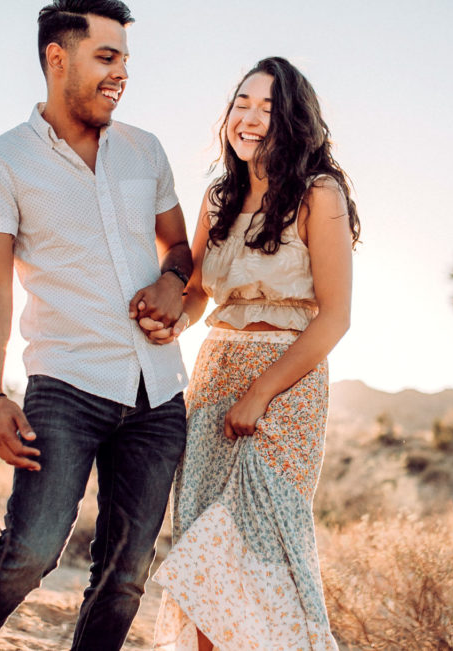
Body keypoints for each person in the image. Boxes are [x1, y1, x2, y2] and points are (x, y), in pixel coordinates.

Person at [0, 0, 193, 651]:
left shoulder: (146, 150)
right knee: (34, 545)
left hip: (158, 394)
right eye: (105, 56)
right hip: (66, 385)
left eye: (126, 58)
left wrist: (169, 281)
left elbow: (181, 250)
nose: (122, 72)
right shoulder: (1, 162)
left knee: (128, 571)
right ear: (57, 57)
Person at [143, 57, 360, 650]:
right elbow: (197, 294)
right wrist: (172, 323)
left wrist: (261, 392)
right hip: (215, 378)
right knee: (205, 557)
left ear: (292, 120)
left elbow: (335, 316)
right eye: (242, 103)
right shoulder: (218, 198)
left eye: (267, 107)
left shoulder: (319, 194)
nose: (251, 118)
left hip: (287, 384)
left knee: (259, 546)